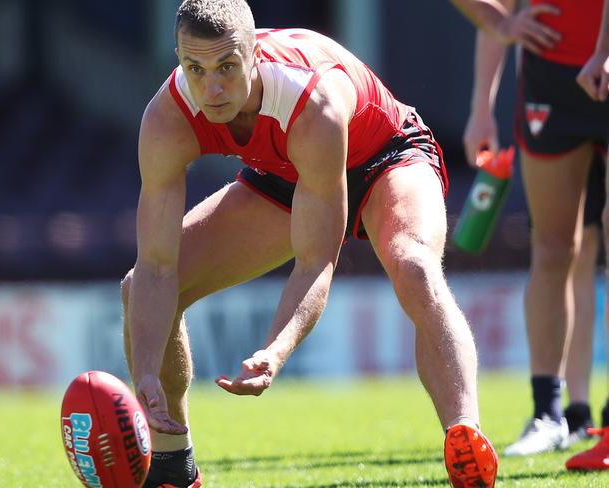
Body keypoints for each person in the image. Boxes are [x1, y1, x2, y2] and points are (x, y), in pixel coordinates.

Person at [121, 1, 499, 486]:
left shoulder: (309, 100)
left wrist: (275, 351)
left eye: (227, 67)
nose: (211, 88)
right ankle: (174, 467)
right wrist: (146, 372)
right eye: (195, 68)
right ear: (177, 59)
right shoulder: (167, 119)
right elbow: (155, 267)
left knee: (414, 267)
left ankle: (465, 438)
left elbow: (317, 261)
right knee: (139, 291)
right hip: (288, 174)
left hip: (386, 156)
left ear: (254, 53)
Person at [452, 0, 609, 458]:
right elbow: (492, 9)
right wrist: (481, 106)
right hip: (552, 80)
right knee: (554, 247)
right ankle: (549, 414)